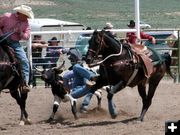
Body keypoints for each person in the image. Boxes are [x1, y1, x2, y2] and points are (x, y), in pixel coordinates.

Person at [0, 5, 34, 92]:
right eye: (26, 15)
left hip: (14, 43)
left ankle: (25, 83)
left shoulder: (26, 23)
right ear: (20, 13)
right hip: (1, 39)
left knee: (24, 60)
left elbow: (27, 36)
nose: (27, 17)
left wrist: (20, 33)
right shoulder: (7, 16)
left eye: (27, 16)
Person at [63, 48, 101, 113]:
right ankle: (84, 105)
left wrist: (66, 87)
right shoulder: (81, 69)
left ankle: (84, 106)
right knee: (90, 87)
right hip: (83, 86)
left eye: (71, 59)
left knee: (73, 94)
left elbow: (65, 77)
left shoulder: (74, 69)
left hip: (78, 88)